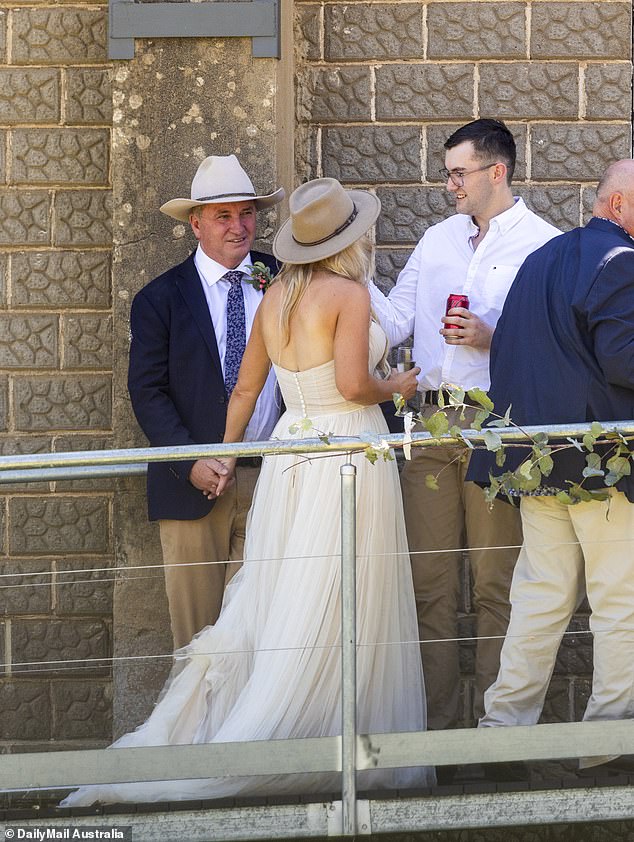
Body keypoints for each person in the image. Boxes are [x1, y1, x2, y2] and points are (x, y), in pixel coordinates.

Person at [61, 177, 434, 806]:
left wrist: (227, 452)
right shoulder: (346, 294)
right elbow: (351, 383)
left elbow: (243, 391)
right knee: (338, 591)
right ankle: (316, 733)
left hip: (289, 456)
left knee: (281, 594)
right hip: (343, 451)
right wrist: (396, 386)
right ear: (348, 239)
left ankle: (249, 727)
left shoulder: (275, 292)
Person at [370, 118, 561, 733]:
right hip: (429, 426)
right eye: (449, 173)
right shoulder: (437, 240)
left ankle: (493, 737)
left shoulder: (542, 244)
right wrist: (344, 271)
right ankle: (436, 739)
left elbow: (557, 347)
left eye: (458, 173)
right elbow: (397, 319)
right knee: (429, 586)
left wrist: (493, 334)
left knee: (495, 586)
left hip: (494, 429)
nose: (449, 184)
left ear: (495, 172)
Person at [469, 160, 634, 775]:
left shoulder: (542, 259)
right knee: (621, 601)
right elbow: (624, 359)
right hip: (602, 466)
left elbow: (510, 352)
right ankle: (608, 746)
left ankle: (501, 739)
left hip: (536, 461)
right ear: (617, 205)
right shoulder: (621, 263)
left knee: (540, 598)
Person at [127, 154, 284, 650]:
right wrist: (191, 460)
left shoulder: (286, 279)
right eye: (223, 216)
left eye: (247, 213)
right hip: (194, 488)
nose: (239, 227)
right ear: (195, 224)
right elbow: (147, 392)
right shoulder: (160, 298)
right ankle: (195, 731)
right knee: (197, 641)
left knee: (264, 636)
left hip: (274, 478)